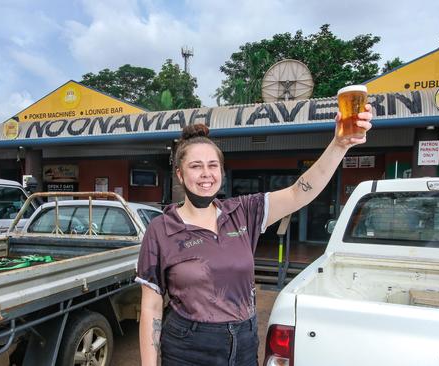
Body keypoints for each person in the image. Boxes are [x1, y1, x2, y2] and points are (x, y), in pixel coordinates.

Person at [137, 105, 373, 365]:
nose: (206, 174)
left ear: (221, 172)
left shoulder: (244, 211)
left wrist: (339, 145)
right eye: (196, 166)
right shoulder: (161, 229)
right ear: (180, 174)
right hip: (189, 347)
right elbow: (151, 306)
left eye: (213, 165)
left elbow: (299, 192)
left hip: (244, 342)